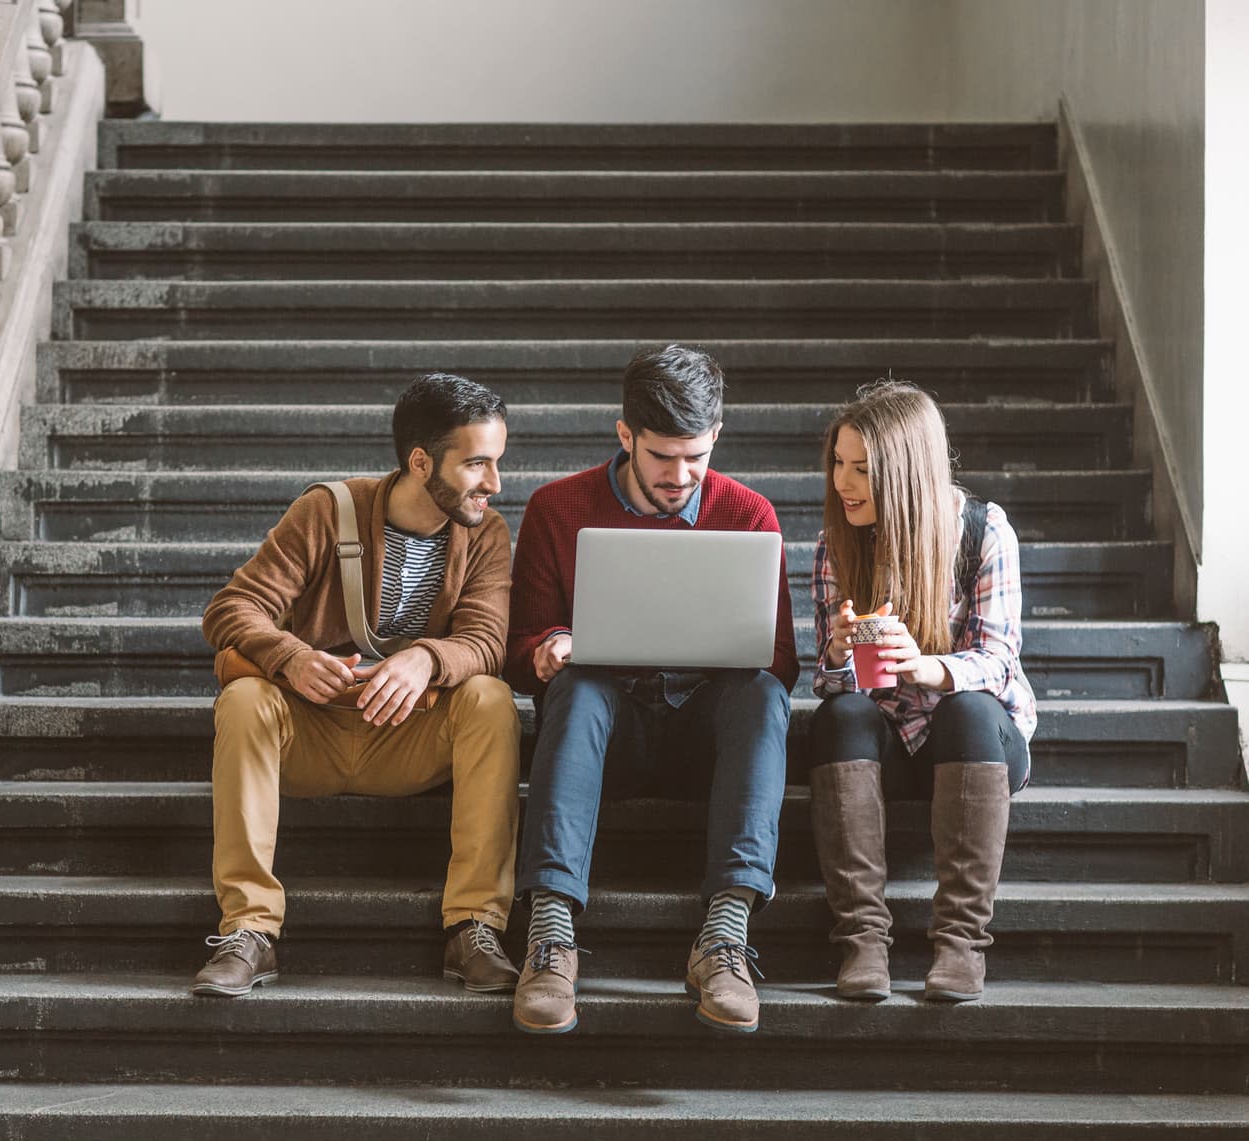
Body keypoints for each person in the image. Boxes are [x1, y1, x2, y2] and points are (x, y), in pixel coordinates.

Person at [195, 373, 522, 997]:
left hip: (408, 741)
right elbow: (232, 609)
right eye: (477, 464)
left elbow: (487, 643)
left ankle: (475, 925)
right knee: (244, 698)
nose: (494, 483)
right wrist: (290, 656)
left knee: (491, 699)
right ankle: (248, 929)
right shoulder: (328, 510)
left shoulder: (487, 534)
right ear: (421, 460)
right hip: (309, 735)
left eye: (497, 462)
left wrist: (427, 658)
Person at [505, 344, 799, 1036]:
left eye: (695, 455)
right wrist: (546, 651)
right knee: (577, 686)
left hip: (706, 735)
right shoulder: (557, 508)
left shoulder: (750, 514)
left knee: (760, 693)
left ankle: (724, 937)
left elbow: (781, 659)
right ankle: (550, 939)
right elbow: (516, 653)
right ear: (625, 435)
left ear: (717, 436)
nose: (680, 474)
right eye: (662, 456)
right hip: (607, 738)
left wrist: (725, 651)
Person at [808, 380, 1036, 1003]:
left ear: (905, 474)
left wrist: (927, 666)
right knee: (840, 715)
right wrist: (837, 653)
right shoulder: (837, 542)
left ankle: (960, 945)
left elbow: (999, 661)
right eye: (837, 463)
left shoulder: (984, 532)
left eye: (861, 469)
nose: (842, 483)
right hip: (887, 746)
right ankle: (862, 941)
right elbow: (829, 684)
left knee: (967, 707)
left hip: (973, 744)